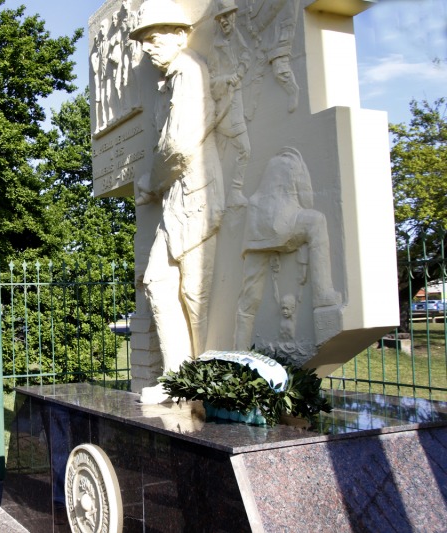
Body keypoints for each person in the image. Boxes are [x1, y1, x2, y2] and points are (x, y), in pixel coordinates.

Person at [129, 0, 225, 402]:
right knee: (157, 282)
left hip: (196, 195)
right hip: (176, 199)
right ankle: (179, 379)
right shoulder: (168, 81)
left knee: (195, 294)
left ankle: (210, 384)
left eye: (154, 38)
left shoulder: (188, 70)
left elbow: (180, 145)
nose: (147, 48)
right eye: (144, 41)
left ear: (180, 35)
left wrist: (150, 181)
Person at [234, 147, 341, 350]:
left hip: (256, 231)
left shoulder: (267, 174)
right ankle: (322, 294)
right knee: (317, 222)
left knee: (249, 296)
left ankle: (239, 349)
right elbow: (307, 198)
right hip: (284, 224)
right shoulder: (295, 164)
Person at [209, 0, 252, 207]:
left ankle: (234, 191)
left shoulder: (238, 37)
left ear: (234, 16)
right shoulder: (216, 47)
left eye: (227, 16)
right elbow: (211, 80)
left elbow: (246, 57)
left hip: (238, 99)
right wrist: (227, 79)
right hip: (224, 105)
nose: (225, 21)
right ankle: (219, 195)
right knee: (225, 152)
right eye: (221, 18)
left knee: (243, 150)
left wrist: (239, 74)